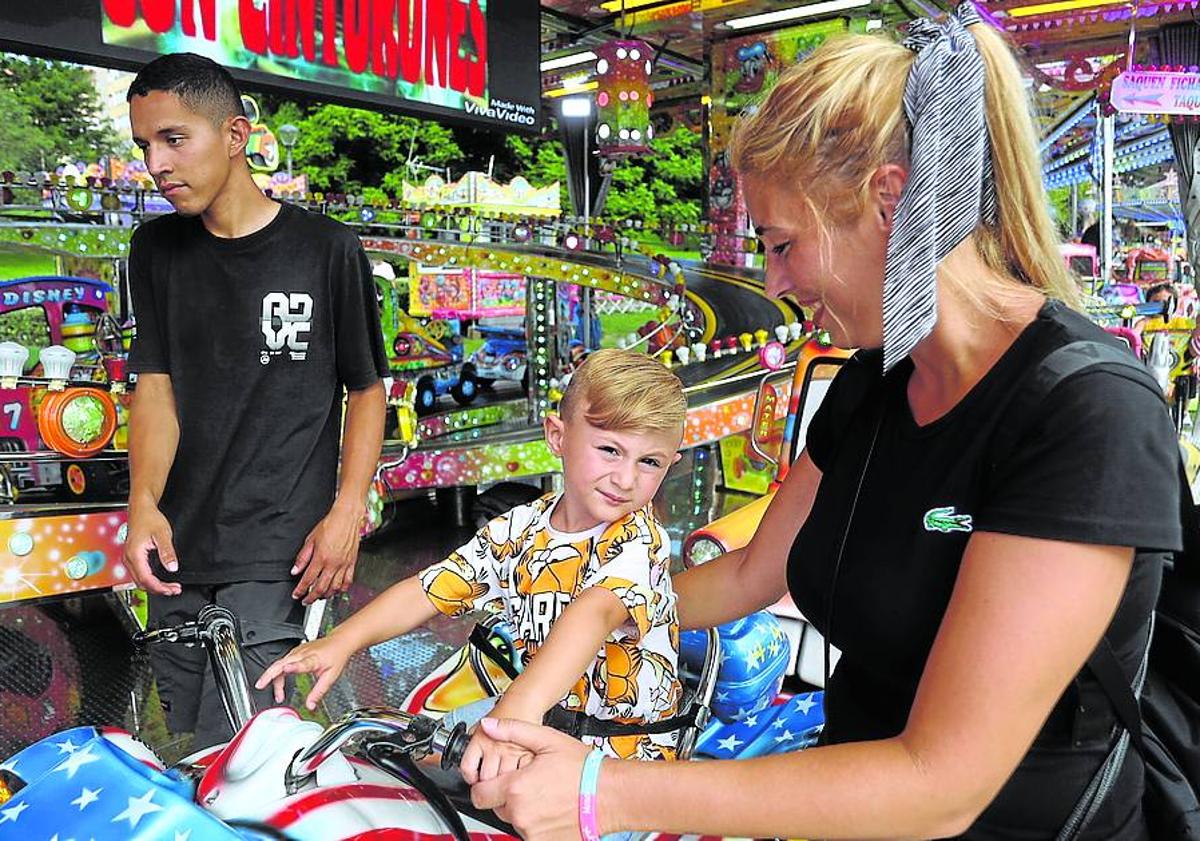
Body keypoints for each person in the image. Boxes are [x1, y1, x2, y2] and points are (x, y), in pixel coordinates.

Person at [468, 7, 1181, 840]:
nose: (774, 283)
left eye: (782, 244)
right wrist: (593, 608)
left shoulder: (1086, 413)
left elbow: (940, 782)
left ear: (890, 200)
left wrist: (603, 789)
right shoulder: (874, 383)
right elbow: (748, 577)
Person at [257, 348, 687, 782]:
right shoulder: (522, 527)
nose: (626, 479)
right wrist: (342, 641)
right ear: (557, 436)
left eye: (648, 462)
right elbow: (431, 588)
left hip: (620, 755)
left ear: (672, 464)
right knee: (397, 764)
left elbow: (590, 617)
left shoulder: (639, 544)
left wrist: (514, 714)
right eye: (610, 450)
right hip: (544, 718)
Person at [122, 53, 389, 749]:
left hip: (280, 548)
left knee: (245, 752)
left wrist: (347, 508)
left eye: (174, 139)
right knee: (185, 743)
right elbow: (156, 386)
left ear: (235, 136)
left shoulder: (326, 250)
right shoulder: (152, 249)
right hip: (178, 550)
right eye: (144, 145)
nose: (155, 163)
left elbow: (366, 388)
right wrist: (143, 503)